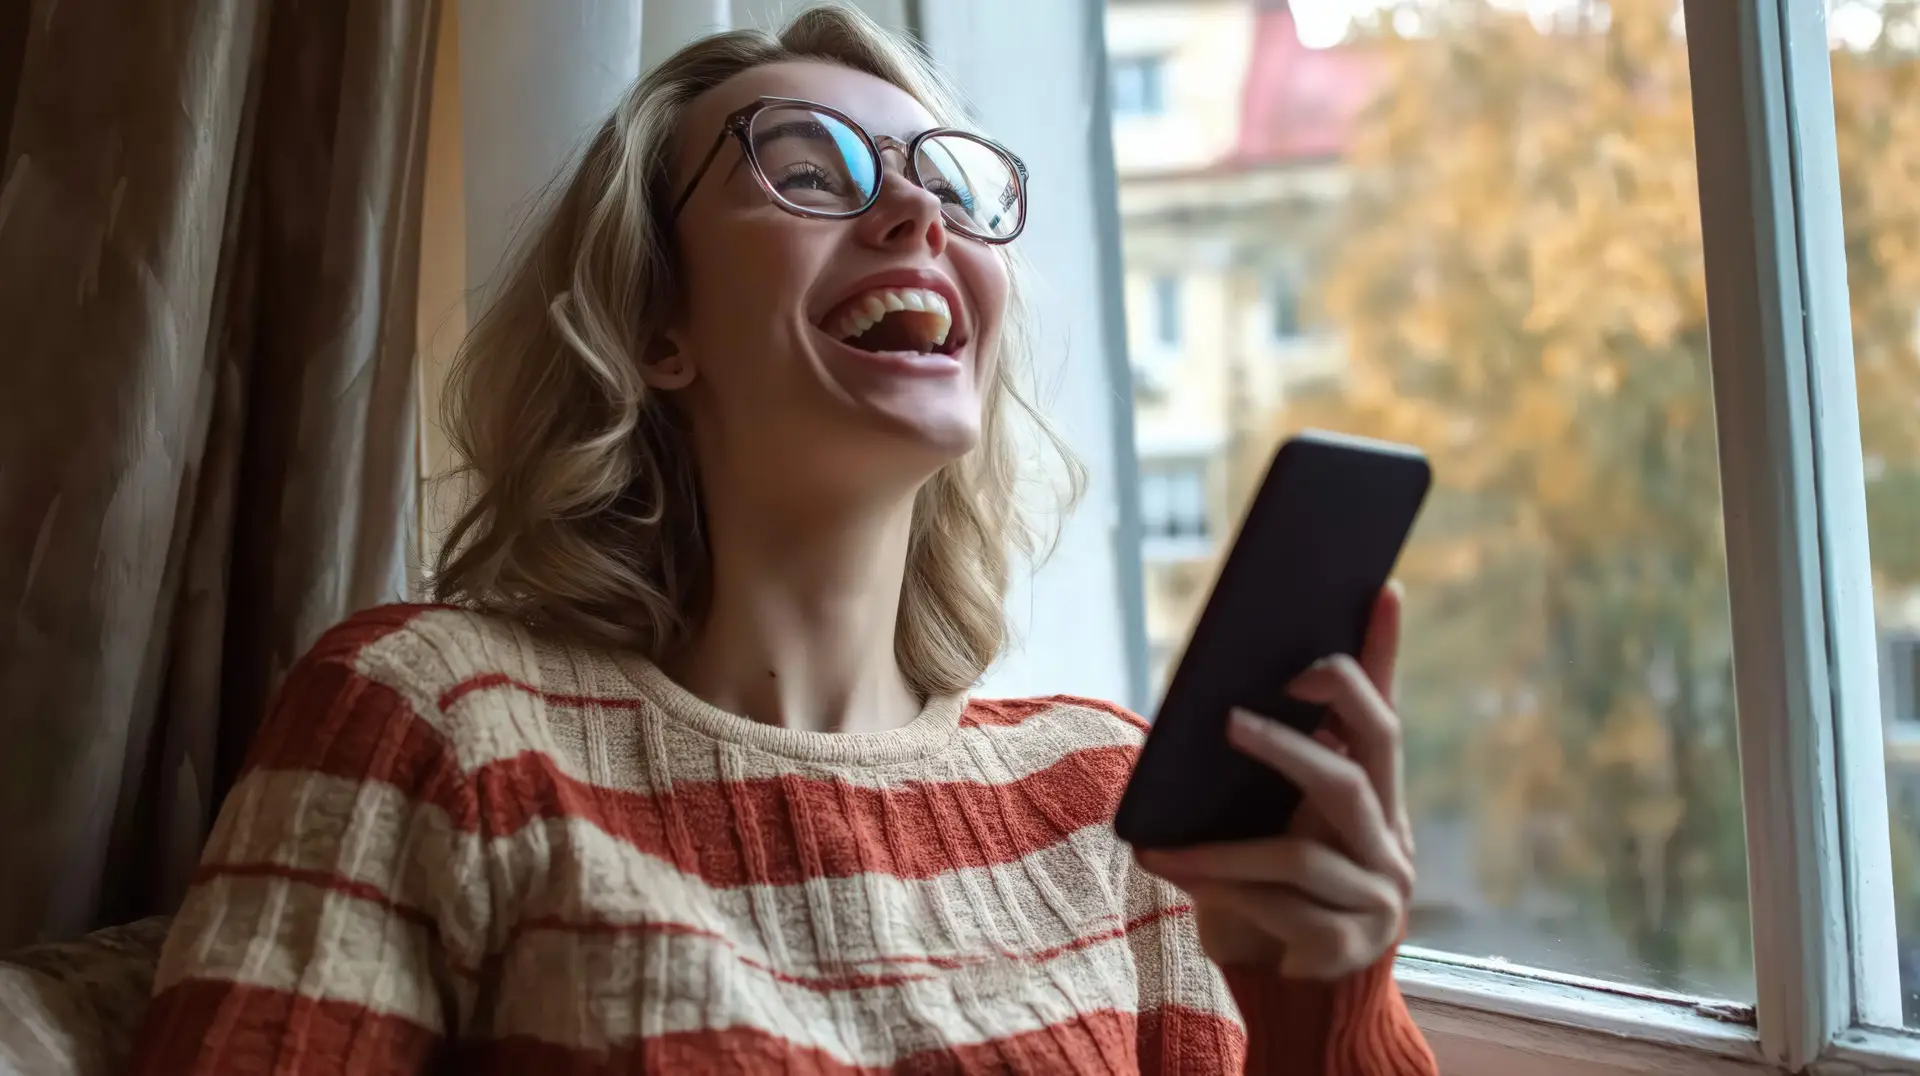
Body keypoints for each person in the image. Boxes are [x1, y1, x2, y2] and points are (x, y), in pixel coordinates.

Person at [128, 6, 1437, 1073]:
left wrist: (1325, 1017)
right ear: (656, 325)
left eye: (951, 186)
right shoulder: (432, 720)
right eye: (812, 172)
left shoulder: (1106, 803)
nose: (919, 215)